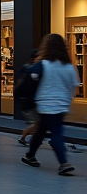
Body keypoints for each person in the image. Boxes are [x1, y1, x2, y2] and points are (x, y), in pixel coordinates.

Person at [21, 33, 78, 175]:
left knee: (42, 130)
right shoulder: (69, 67)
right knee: (55, 131)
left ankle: (31, 156)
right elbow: (73, 86)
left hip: (45, 103)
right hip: (62, 104)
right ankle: (62, 162)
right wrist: (67, 100)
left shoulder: (43, 64)